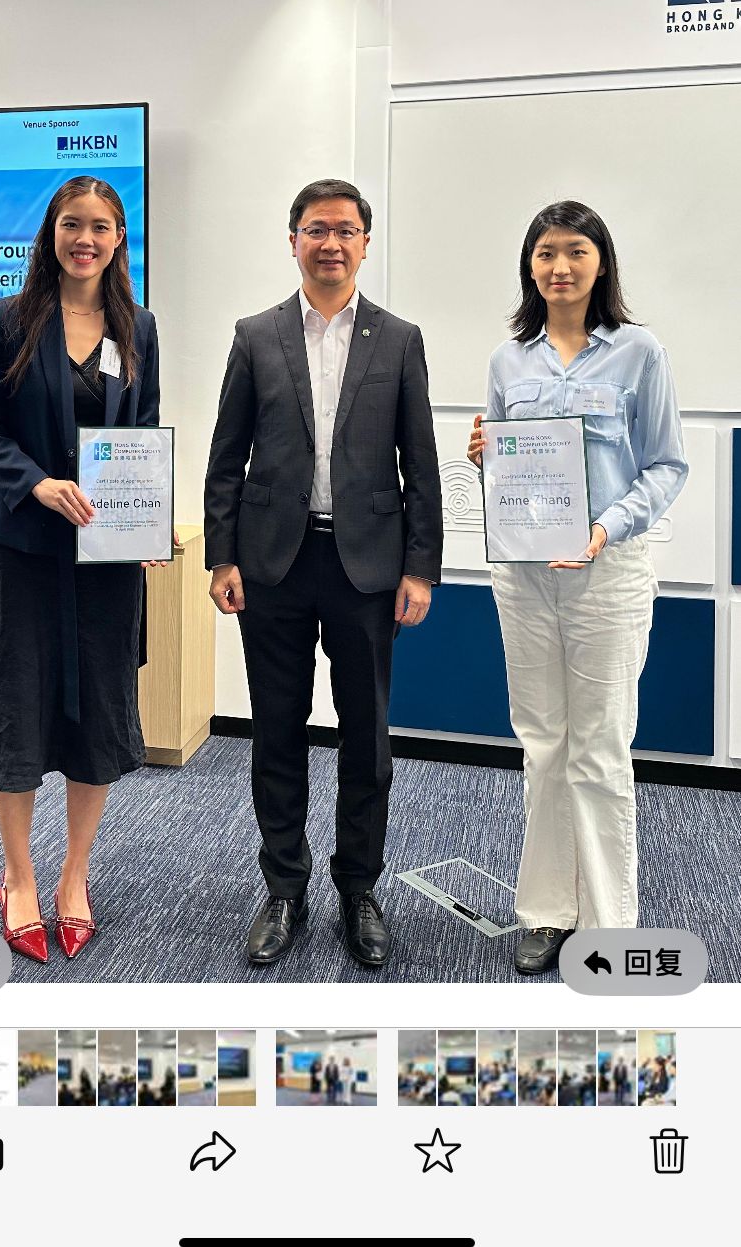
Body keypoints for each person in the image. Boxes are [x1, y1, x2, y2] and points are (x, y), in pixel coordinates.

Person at [205, 178, 443, 970]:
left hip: (367, 566)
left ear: (366, 243)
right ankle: (284, 888)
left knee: (366, 735)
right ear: (294, 240)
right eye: (316, 230)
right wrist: (221, 554)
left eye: (345, 230)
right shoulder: (256, 334)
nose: (331, 243)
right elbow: (225, 456)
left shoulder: (400, 338)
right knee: (277, 731)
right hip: (273, 562)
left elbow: (422, 464)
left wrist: (421, 568)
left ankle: (359, 888)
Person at [468, 200, 688, 975]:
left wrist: (608, 526)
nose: (559, 267)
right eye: (545, 253)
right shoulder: (510, 359)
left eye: (576, 252)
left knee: (598, 748)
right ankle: (547, 911)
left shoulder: (639, 353)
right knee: (542, 742)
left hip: (607, 572)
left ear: (601, 263)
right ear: (530, 266)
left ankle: (608, 924)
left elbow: (667, 467)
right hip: (524, 578)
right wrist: (486, 456)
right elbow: (508, 469)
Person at [0, 175, 163, 965]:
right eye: (72, 224)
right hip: (26, 553)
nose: (85, 238)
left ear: (118, 240)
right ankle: (18, 877)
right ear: (52, 234)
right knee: (16, 709)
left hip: (107, 561)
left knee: (99, 715)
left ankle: (74, 876)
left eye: (101, 226)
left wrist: (146, 515)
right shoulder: (13, 319)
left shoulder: (136, 324)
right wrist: (33, 482)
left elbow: (141, 432)